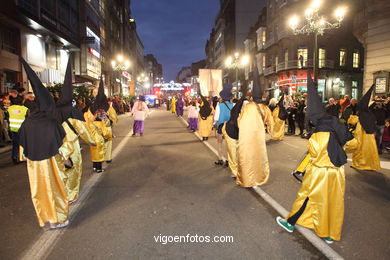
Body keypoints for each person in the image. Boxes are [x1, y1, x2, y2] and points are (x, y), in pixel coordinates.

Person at [276, 72, 353, 244]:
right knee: (331, 202)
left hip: (320, 173)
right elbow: (352, 144)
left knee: (306, 197)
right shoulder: (337, 128)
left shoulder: (317, 135)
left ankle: (290, 223)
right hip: (337, 173)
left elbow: (314, 153)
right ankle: (329, 234)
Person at [19, 57, 69, 229]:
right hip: (52, 164)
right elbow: (63, 147)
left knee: (39, 191)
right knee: (55, 189)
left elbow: (22, 151)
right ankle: (59, 218)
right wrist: (68, 159)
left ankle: (45, 219)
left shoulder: (27, 124)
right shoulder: (52, 123)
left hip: (34, 166)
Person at [54, 58, 96, 204]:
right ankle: (70, 196)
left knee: (59, 171)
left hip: (56, 147)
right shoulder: (73, 112)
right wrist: (93, 142)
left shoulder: (52, 111)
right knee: (73, 170)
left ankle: (61, 194)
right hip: (71, 148)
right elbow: (84, 130)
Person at [236, 65, 270, 187]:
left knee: (247, 157)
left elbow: (240, 121)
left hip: (247, 136)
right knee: (259, 157)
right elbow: (269, 122)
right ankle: (258, 179)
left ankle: (247, 180)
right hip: (259, 136)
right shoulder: (265, 108)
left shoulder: (249, 107)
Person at [346, 85, 380, 170]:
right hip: (370, 137)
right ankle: (370, 165)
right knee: (370, 151)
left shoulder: (360, 114)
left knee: (360, 151)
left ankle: (360, 164)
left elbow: (352, 121)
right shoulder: (370, 114)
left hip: (362, 136)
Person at [85, 79, 112, 173]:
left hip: (92, 131)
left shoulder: (92, 107)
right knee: (101, 149)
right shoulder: (106, 108)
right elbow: (108, 121)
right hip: (102, 130)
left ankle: (94, 166)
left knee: (94, 150)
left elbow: (88, 118)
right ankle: (100, 166)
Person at [213, 84, 234, 166]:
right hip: (230, 126)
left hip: (221, 126)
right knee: (229, 145)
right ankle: (229, 161)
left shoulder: (219, 105)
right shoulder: (233, 105)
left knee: (219, 143)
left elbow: (216, 118)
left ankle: (220, 159)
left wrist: (214, 124)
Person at [8, 95, 28, 164]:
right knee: (24, 143)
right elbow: (28, 119)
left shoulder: (9, 108)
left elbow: (7, 118)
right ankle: (24, 157)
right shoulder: (25, 109)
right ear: (22, 101)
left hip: (13, 129)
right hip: (22, 129)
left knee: (15, 144)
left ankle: (15, 157)